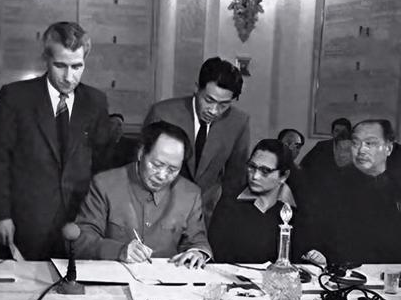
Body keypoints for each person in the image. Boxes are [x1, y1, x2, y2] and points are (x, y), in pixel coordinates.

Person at [0, 21, 111, 260]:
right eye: (60, 66)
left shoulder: (96, 102)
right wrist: (0, 215)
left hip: (79, 221)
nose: (69, 77)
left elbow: (101, 164)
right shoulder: (15, 97)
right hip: (26, 221)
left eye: (77, 66)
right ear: (46, 59)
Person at [73, 121, 212, 268]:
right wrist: (118, 250)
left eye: (172, 169)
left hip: (166, 279)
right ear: (141, 153)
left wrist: (197, 252)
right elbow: (81, 240)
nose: (162, 176)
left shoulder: (190, 194)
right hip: (114, 276)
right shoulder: (105, 184)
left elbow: (197, 241)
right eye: (156, 165)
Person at [144, 57, 251, 226]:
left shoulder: (238, 122)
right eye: (209, 100)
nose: (214, 111)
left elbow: (235, 180)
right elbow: (142, 170)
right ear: (196, 88)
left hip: (207, 218)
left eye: (223, 105)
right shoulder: (163, 114)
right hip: (159, 216)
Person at [310, 119, 401, 264]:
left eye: (370, 143)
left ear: (389, 148)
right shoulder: (332, 185)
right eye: (356, 143)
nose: (361, 150)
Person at [209, 139, 301, 263]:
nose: (255, 176)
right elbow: (217, 252)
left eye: (265, 171)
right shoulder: (229, 202)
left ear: (284, 176)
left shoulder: (297, 209)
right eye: (252, 167)